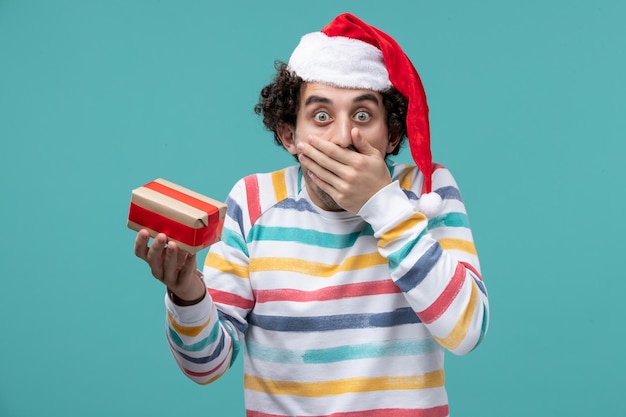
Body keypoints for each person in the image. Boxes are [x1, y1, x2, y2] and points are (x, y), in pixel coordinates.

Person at [134, 12, 489, 417]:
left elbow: (467, 330)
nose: (342, 138)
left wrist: (383, 205)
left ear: (391, 134)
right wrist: (186, 293)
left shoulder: (427, 192)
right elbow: (205, 365)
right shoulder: (253, 201)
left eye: (362, 116)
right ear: (290, 135)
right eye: (322, 116)